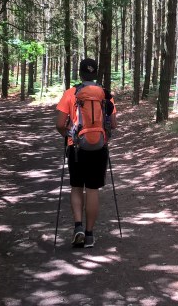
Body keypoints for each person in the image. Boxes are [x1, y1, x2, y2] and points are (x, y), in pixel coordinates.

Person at [55, 58, 117, 248]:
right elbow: (113, 124)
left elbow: (59, 124)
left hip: (76, 148)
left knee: (76, 187)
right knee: (92, 190)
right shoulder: (105, 95)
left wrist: (69, 135)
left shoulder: (71, 93)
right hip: (99, 148)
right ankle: (89, 235)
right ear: (96, 73)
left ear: (80, 74)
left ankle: (78, 227)